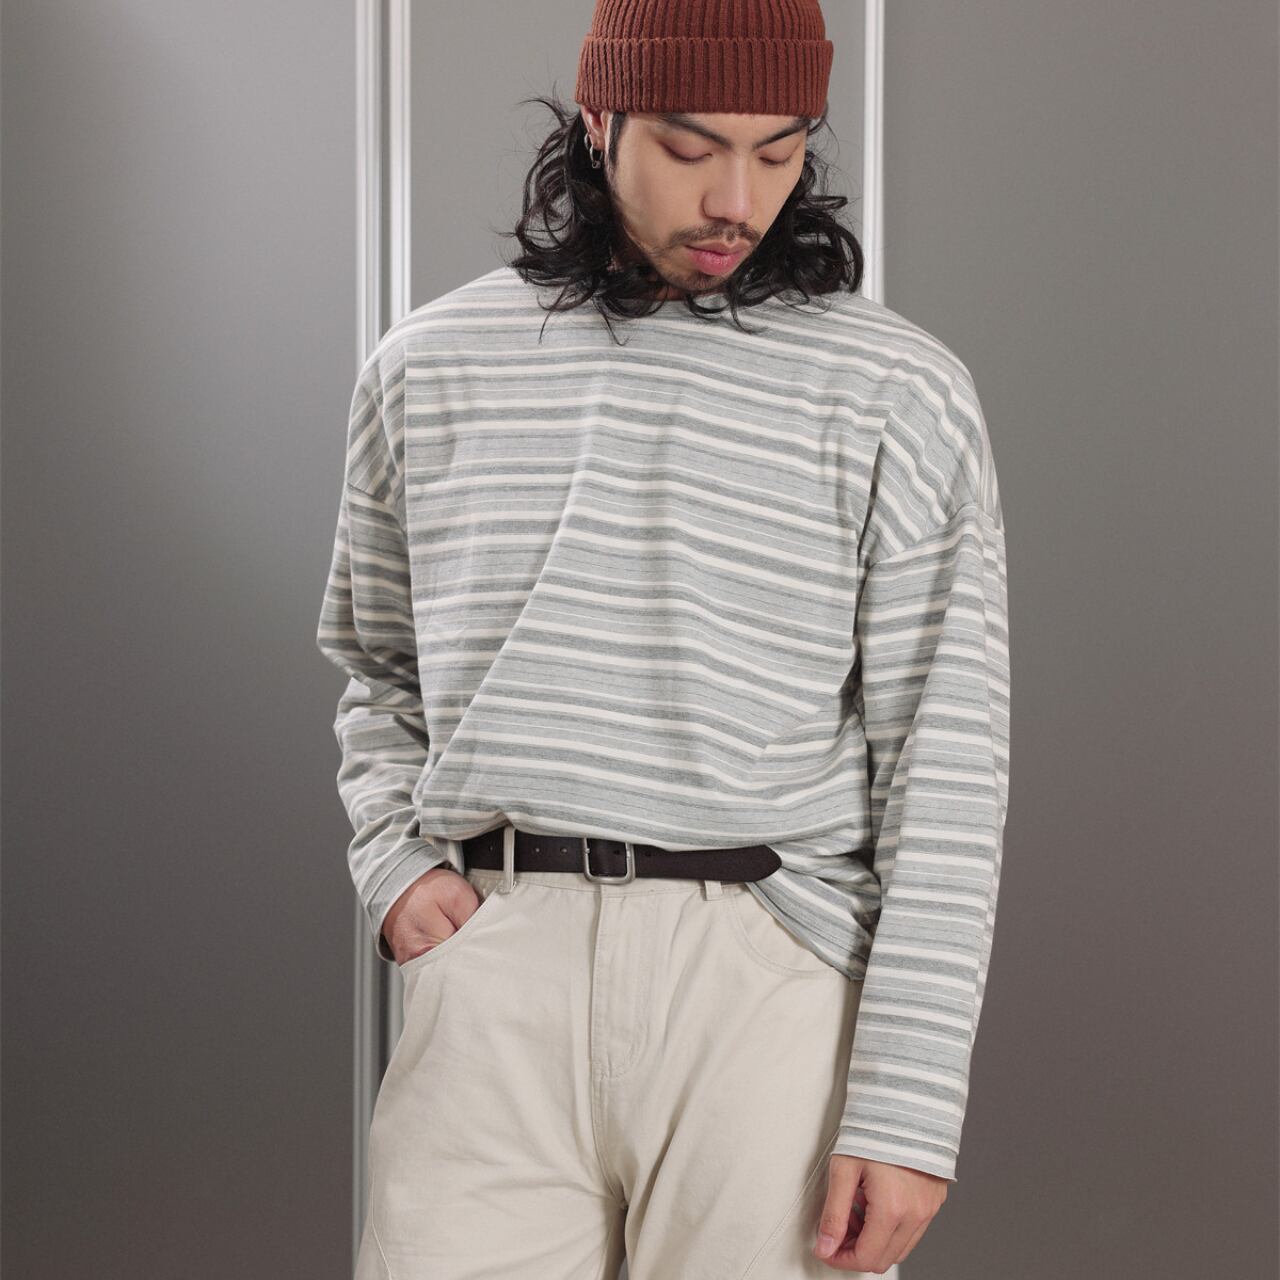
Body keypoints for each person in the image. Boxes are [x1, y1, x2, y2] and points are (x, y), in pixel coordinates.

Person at [314, 1, 1010, 1275]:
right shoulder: (430, 363)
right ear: (600, 120)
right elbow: (377, 665)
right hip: (494, 961)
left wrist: (908, 1101)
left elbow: (946, 754)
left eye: (778, 149)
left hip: (768, 971)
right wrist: (395, 865)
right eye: (691, 148)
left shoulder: (896, 388)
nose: (736, 199)